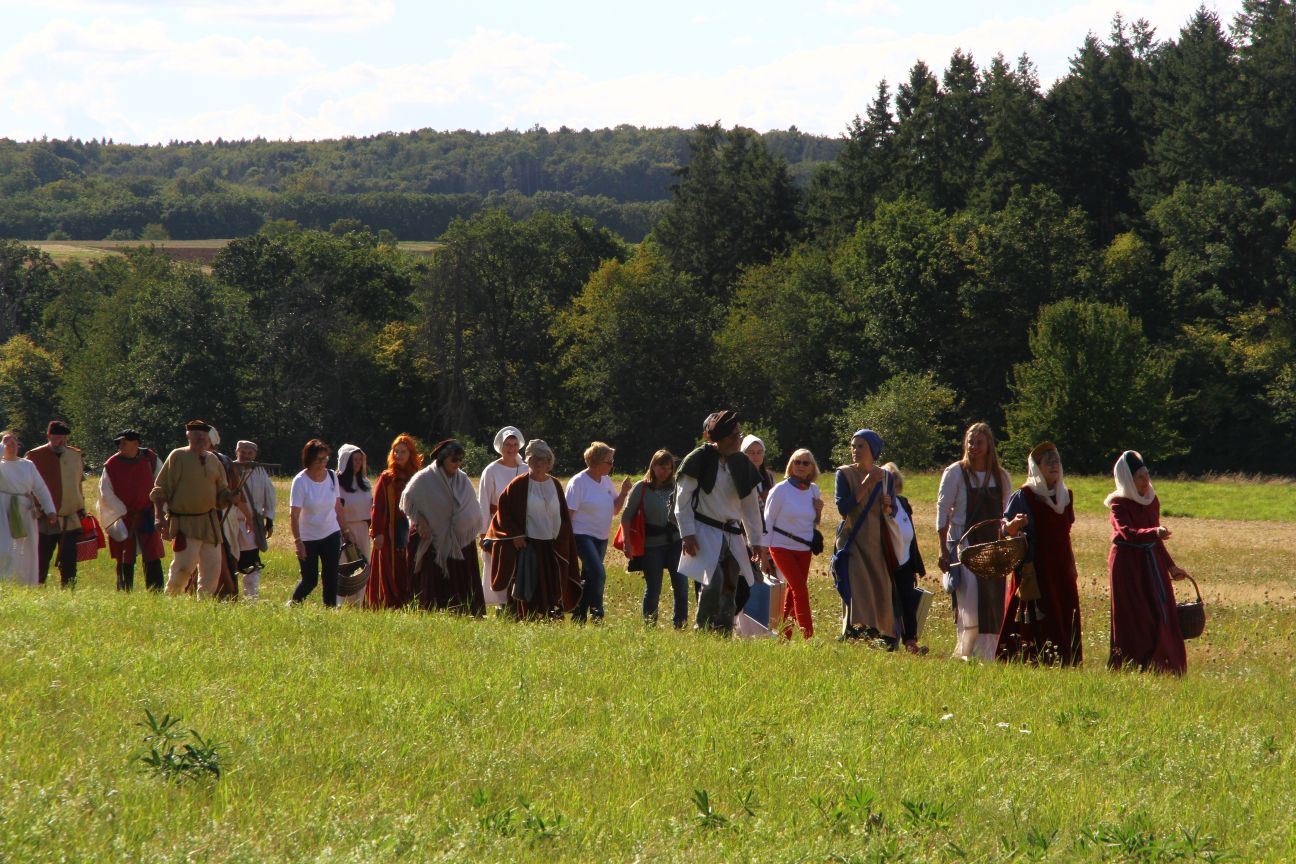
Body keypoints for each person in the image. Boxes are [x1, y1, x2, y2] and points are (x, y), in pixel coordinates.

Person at [675, 411, 768, 634]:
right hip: (704, 530)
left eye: (738, 435)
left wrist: (756, 541)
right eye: (732, 436)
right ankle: (703, 629)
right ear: (718, 438)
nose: (737, 440)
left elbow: (750, 507)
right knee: (713, 581)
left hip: (732, 534)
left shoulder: (742, 463)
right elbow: (682, 500)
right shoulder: (698, 459)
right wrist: (687, 533)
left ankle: (723, 632)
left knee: (730, 586)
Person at [998, 442, 1083, 666]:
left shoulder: (1065, 496)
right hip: (1034, 568)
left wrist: (1072, 566)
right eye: (1049, 462)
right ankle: (1028, 661)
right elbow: (1005, 530)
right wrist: (1014, 525)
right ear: (1037, 467)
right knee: (1038, 616)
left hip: (1061, 567)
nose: (1055, 465)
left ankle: (1064, 663)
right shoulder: (1024, 495)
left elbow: (1065, 534)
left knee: (1063, 612)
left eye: (1057, 461)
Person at [1105, 450, 1188, 674]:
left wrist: (1171, 567)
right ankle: (1133, 665)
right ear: (1127, 480)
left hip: (1152, 563)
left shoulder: (1152, 500)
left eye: (1146, 475)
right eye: (1139, 477)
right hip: (1127, 566)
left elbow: (1156, 540)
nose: (1145, 480)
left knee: (1160, 611)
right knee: (1136, 616)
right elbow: (1127, 532)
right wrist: (1154, 532)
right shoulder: (1118, 504)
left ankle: (1164, 666)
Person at [936, 422, 1013, 660]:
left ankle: (988, 654)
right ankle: (965, 651)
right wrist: (943, 549)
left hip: (992, 546)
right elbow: (942, 510)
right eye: (970, 441)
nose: (973, 446)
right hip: (964, 544)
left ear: (989, 445)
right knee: (970, 600)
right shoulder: (955, 473)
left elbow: (1007, 513)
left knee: (993, 599)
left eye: (979, 442)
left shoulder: (1001, 476)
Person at [485, 439, 581, 620]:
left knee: (552, 584)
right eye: (534, 459)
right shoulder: (518, 484)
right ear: (528, 460)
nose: (538, 463)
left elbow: (564, 517)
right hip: (529, 545)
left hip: (551, 546)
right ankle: (527, 619)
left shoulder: (555, 484)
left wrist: (562, 540)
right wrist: (516, 534)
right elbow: (503, 512)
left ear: (549, 462)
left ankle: (550, 618)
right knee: (530, 585)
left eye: (543, 459)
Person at [151, 420, 237, 597]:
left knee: (212, 568)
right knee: (183, 567)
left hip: (209, 523)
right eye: (196, 434)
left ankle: (204, 604)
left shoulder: (213, 460)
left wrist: (229, 497)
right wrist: (159, 516)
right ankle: (171, 600)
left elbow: (222, 491)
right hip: (185, 522)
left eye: (204, 435)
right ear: (188, 436)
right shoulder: (178, 456)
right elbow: (160, 489)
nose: (201, 438)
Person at [403, 439, 485, 614]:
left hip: (460, 541)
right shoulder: (424, 479)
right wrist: (421, 523)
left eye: (460, 459)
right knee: (433, 580)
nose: (458, 463)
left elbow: (472, 506)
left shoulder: (462, 479)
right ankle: (430, 611)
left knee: (461, 581)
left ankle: (464, 612)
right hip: (431, 539)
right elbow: (408, 501)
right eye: (454, 460)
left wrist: (464, 525)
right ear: (442, 459)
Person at [835, 430, 897, 643]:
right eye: (853, 446)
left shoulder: (886, 477)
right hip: (853, 540)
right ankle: (854, 632)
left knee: (880, 586)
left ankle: (881, 633)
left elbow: (893, 512)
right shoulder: (844, 474)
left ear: (873, 450)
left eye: (861, 446)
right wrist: (867, 483)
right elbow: (843, 508)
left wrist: (889, 507)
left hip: (877, 542)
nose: (856, 450)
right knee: (857, 587)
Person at [622, 449, 688, 627]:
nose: (665, 471)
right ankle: (650, 625)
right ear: (653, 466)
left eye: (669, 468)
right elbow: (626, 517)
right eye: (661, 467)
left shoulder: (677, 486)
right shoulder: (641, 488)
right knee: (653, 588)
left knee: (681, 586)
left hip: (676, 543)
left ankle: (680, 625)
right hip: (651, 546)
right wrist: (627, 543)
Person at [567, 441, 631, 623]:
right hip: (581, 536)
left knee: (589, 576)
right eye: (609, 462)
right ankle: (597, 614)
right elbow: (567, 515)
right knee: (598, 573)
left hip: (601, 537)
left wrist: (624, 492)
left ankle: (578, 615)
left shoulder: (606, 481)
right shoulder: (578, 482)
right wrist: (565, 541)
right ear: (596, 462)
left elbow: (615, 510)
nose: (612, 465)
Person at [764, 448, 823, 640]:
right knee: (800, 589)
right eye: (797, 462)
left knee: (793, 591)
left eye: (806, 463)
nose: (801, 466)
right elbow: (768, 521)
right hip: (781, 546)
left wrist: (819, 511)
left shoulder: (814, 490)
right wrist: (763, 553)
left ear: (812, 467)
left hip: (804, 548)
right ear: (791, 464)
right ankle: (809, 637)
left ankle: (784, 637)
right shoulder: (780, 490)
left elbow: (814, 522)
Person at [98, 430, 164, 591]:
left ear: (136, 443)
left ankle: (156, 591)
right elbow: (105, 492)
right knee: (124, 556)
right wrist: (123, 511)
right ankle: (124, 590)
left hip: (147, 515)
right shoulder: (112, 464)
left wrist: (160, 510)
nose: (120, 445)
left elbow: (162, 483)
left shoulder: (150, 459)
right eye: (119, 442)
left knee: (152, 555)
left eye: (124, 442)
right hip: (124, 517)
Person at [25, 420, 85, 588]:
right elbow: (27, 487)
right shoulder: (34, 456)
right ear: (49, 436)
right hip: (44, 518)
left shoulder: (75, 455)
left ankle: (69, 591)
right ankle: (36, 589)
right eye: (58, 438)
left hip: (70, 517)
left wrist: (82, 507)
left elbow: (78, 484)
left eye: (64, 438)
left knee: (69, 560)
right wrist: (36, 508)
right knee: (41, 557)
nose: (62, 442)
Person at [288, 438, 349, 607]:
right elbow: (294, 515)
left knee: (331, 576)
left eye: (325, 459)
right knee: (310, 580)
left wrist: (346, 531)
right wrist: (298, 542)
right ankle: (293, 605)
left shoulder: (332, 476)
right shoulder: (300, 481)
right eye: (319, 460)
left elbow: (338, 506)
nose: (323, 463)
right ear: (309, 460)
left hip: (331, 533)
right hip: (308, 538)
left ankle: (330, 609)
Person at [368, 434, 422, 609]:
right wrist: (377, 533)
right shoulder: (386, 478)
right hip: (390, 530)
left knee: (411, 563)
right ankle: (391, 602)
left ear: (411, 453)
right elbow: (378, 507)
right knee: (392, 566)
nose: (399, 455)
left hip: (413, 527)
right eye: (396, 451)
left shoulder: (418, 476)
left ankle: (411, 600)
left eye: (403, 451)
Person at [478, 426, 528, 609]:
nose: (511, 448)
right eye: (508, 444)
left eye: (514, 444)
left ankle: (519, 603)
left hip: (522, 525)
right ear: (501, 446)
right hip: (498, 524)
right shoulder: (491, 470)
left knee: (521, 563)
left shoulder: (526, 468)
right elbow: (483, 502)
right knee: (500, 564)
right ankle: (502, 605)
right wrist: (483, 533)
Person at [882, 462, 928, 654]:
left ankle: (911, 642)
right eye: (886, 482)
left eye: (893, 481)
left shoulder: (903, 502)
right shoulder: (877, 505)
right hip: (886, 561)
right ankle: (887, 642)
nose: (891, 486)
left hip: (906, 560)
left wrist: (915, 564)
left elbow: (911, 534)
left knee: (908, 602)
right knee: (888, 602)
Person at [0, 430, 56, 586]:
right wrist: (2, 445)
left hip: (24, 508)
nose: (12, 447)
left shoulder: (27, 465)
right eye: (7, 444)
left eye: (14, 444)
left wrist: (50, 510)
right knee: (5, 547)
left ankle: (27, 583)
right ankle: (4, 581)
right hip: (4, 510)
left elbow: (40, 488)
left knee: (27, 547)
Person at [739, 434, 779, 630]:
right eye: (751, 452)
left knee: (767, 576)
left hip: (767, 532)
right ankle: (743, 625)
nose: (755, 456)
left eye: (759, 452)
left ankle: (763, 624)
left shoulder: (768, 477)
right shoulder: (739, 477)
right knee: (746, 577)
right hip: (743, 533)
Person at [232, 440, 276, 600]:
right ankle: (229, 596)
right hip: (231, 523)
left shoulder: (260, 471)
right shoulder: (229, 469)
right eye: (242, 452)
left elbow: (269, 496)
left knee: (251, 564)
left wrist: (269, 521)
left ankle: (251, 598)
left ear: (255, 455)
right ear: (237, 452)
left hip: (251, 526)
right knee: (229, 561)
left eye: (249, 453)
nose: (246, 456)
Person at [335, 443, 372, 607]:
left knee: (362, 565)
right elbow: (336, 509)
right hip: (343, 529)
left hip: (362, 529)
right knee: (344, 566)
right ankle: (340, 603)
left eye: (359, 460)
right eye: (354, 460)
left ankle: (358, 603)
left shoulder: (365, 483)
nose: (357, 463)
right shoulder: (337, 483)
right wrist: (345, 531)